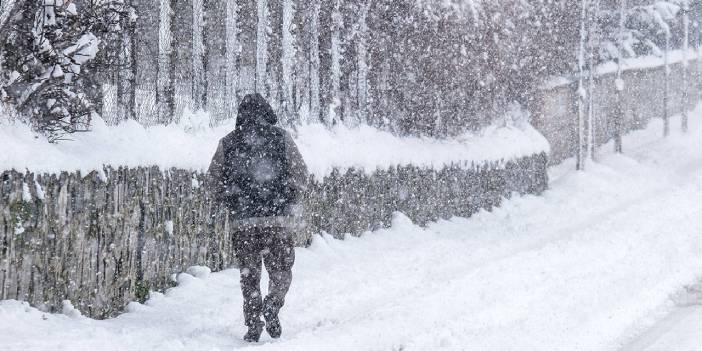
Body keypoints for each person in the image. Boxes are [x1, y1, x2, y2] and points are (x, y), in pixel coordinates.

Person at [207, 93, 308, 342]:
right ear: (267, 112)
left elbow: (212, 182)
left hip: (243, 222)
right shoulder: (281, 138)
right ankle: (273, 304)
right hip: (277, 221)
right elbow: (301, 174)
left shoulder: (228, 143)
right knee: (281, 270)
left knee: (249, 275)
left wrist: (231, 199)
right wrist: (289, 197)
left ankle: (253, 323)